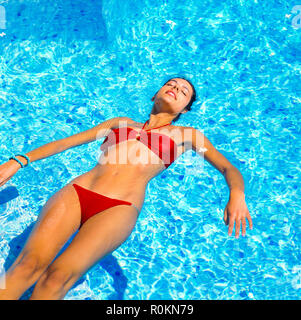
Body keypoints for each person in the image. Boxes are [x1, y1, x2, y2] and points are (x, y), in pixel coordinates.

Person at [0, 77, 253, 300]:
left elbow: (228, 169)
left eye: (183, 91)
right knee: (26, 264)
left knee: (56, 279)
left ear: (184, 110)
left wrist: (237, 195)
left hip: (118, 208)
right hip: (78, 192)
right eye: (171, 84)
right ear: (155, 94)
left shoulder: (187, 135)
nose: (175, 87)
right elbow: (66, 143)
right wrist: (18, 161)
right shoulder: (120, 123)